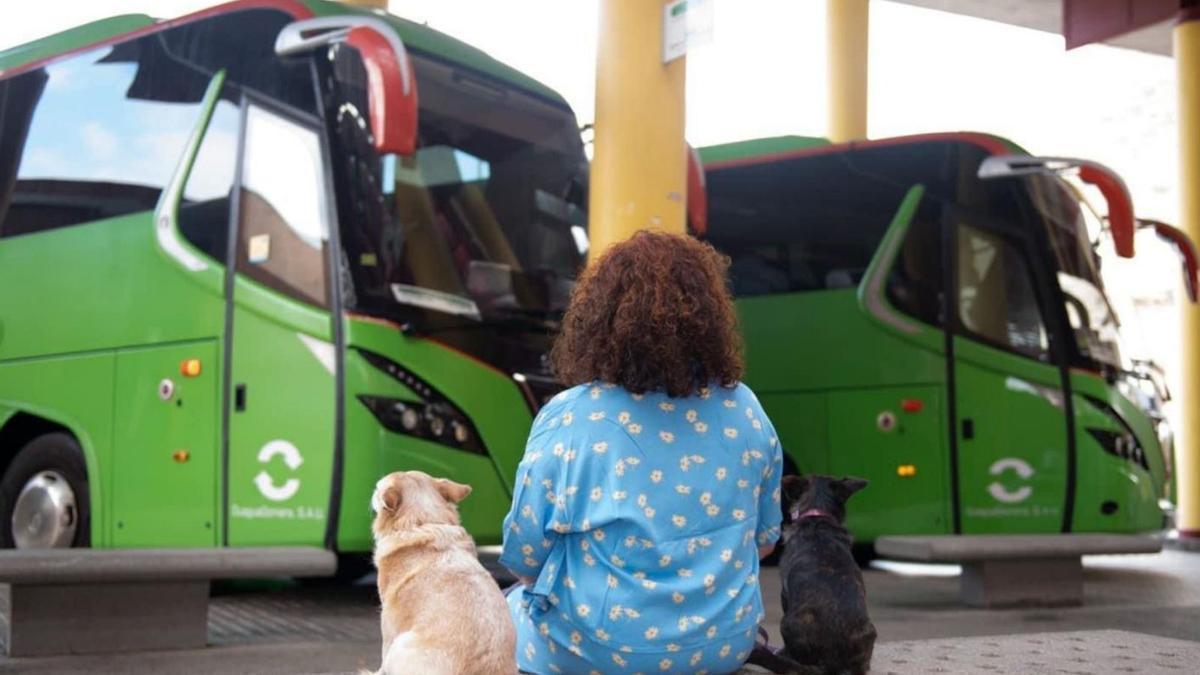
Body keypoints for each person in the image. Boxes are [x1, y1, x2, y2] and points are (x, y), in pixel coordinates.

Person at [499, 231, 784, 674]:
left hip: (597, 653)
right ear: (710, 318)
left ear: (598, 318)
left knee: (504, 612)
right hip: (722, 648)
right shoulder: (744, 408)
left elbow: (524, 556)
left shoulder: (572, 416)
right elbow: (764, 542)